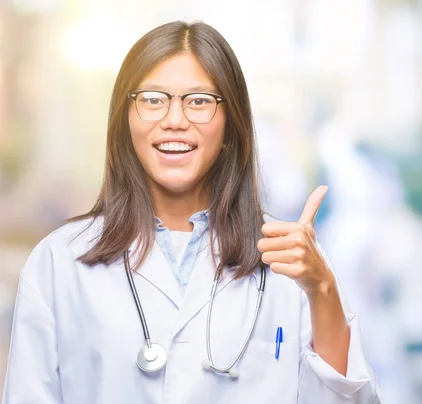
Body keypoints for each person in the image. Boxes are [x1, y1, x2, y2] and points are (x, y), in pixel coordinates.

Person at [2, 21, 382, 403]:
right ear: (125, 118)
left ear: (231, 124)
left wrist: (323, 288)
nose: (175, 119)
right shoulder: (58, 262)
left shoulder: (289, 263)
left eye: (199, 101)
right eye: (153, 99)